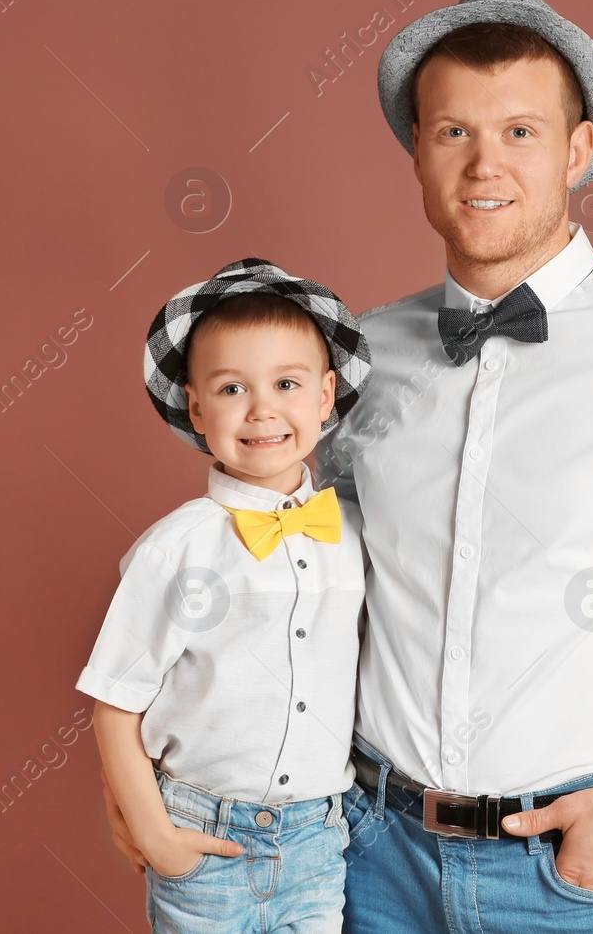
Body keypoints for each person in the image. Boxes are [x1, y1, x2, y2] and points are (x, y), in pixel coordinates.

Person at [102, 0, 593, 932]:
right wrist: (150, 777)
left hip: (577, 876)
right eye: (453, 132)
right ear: (416, 152)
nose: (482, 165)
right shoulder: (355, 361)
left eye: (520, 131)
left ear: (580, 151)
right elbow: (277, 561)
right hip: (364, 860)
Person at [77, 257, 373, 933]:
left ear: (326, 397)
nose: (264, 408)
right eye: (233, 387)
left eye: (287, 383)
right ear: (196, 404)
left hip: (318, 841)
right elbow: (114, 704)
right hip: (205, 836)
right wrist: (155, 835)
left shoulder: (353, 533)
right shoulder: (175, 549)